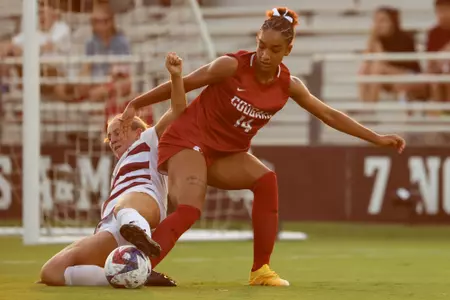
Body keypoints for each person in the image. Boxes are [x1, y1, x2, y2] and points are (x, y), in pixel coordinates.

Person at [120, 7, 406, 287]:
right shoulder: (230, 66)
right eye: (261, 46)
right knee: (190, 210)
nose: (265, 55)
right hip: (188, 141)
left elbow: (329, 115)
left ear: (288, 50)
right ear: (257, 40)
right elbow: (186, 82)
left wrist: (377, 138)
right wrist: (136, 103)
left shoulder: (289, 85)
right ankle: (138, 264)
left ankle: (261, 271)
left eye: (275, 49)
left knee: (266, 180)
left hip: (226, 153)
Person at [39, 52, 186, 287]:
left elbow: (178, 109)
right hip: (110, 225)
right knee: (52, 272)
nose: (113, 138)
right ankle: (137, 275)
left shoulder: (148, 140)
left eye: (118, 131)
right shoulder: (118, 169)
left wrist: (176, 77)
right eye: (109, 136)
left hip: (142, 202)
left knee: (122, 205)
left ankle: (138, 232)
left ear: (138, 131)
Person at [359, 6, 426, 102]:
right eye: (376, 21)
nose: (378, 25)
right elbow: (366, 59)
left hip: (410, 74)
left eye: (382, 21)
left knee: (378, 67)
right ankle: (363, 104)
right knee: (364, 68)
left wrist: (376, 43)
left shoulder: (405, 38)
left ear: (392, 22)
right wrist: (372, 38)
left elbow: (385, 60)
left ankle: (370, 108)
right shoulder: (378, 39)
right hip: (388, 75)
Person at [427, 0, 450, 103]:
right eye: (439, 11)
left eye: (445, 10)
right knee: (435, 80)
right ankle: (440, 116)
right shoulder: (433, 33)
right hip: (438, 70)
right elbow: (430, 61)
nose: (442, 15)